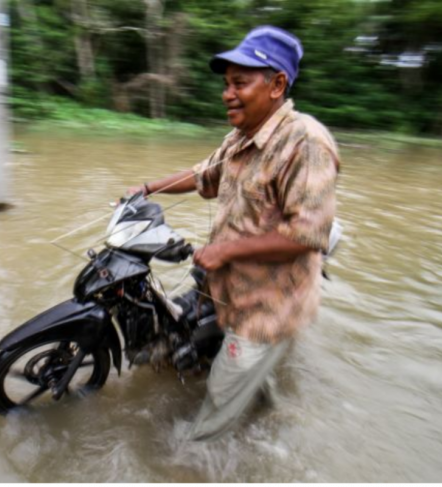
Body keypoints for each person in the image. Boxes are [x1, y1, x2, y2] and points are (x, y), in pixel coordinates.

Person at [128, 26, 340, 441]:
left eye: (239, 83)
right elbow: (202, 176)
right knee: (178, 335)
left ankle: (198, 459)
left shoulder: (306, 143)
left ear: (277, 84)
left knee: (218, 401)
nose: (227, 93)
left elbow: (308, 235)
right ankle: (265, 398)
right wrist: (148, 188)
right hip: (224, 288)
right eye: (226, 84)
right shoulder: (240, 138)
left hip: (266, 306)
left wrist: (226, 252)